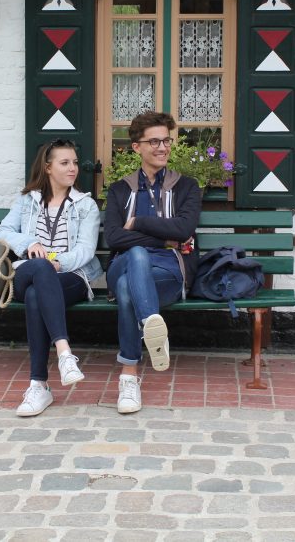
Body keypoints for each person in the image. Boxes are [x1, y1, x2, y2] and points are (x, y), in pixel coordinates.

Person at [0, 139, 103, 417]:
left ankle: (38, 385)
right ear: (48, 167)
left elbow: (86, 251)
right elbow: (1, 233)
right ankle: (64, 353)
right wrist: (29, 242)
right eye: (65, 163)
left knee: (35, 294)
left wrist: (58, 262)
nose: (73, 168)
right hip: (29, 272)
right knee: (40, 268)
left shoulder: (86, 205)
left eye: (74, 162)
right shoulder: (27, 201)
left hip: (71, 277)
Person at [103, 111, 201, 414]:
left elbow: (183, 230)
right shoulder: (120, 190)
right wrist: (163, 239)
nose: (163, 147)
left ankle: (128, 377)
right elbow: (113, 238)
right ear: (137, 147)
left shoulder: (187, 187)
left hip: (169, 270)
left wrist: (138, 222)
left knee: (127, 288)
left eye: (166, 141)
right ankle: (150, 323)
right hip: (126, 261)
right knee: (136, 255)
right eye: (154, 142)